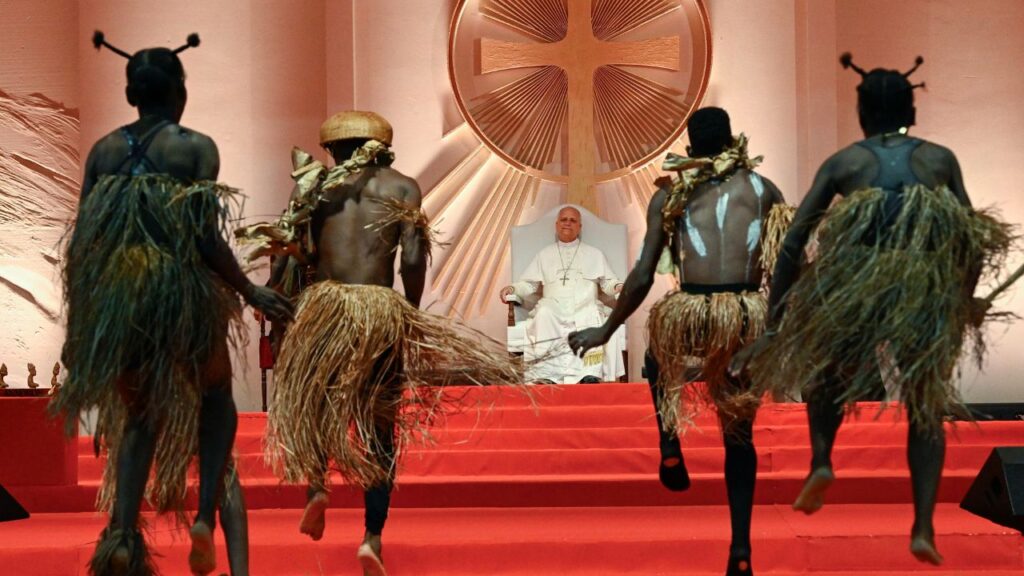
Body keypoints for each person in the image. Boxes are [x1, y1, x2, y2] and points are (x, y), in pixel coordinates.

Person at [729, 54, 1014, 566]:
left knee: (825, 379)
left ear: (862, 112)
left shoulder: (846, 163)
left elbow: (795, 239)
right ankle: (923, 524)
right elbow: (970, 237)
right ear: (910, 108)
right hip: (919, 288)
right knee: (925, 404)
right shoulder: (938, 159)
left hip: (854, 285)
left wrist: (778, 318)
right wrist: (964, 293)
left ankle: (821, 459)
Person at [241, 111, 524, 576]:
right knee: (379, 428)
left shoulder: (314, 186)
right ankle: (372, 536)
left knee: (314, 406)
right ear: (383, 145)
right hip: (376, 309)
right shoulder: (402, 187)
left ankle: (317, 488)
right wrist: (408, 310)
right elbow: (413, 258)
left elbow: (296, 253)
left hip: (325, 307)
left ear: (333, 147)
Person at [53, 31, 293, 576]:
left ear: (132, 94)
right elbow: (205, 237)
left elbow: (83, 243)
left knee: (139, 417)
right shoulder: (194, 147)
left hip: (120, 299)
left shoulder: (104, 151)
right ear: (178, 92)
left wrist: (82, 326)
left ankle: (119, 533)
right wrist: (249, 288)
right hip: (178, 295)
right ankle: (205, 513)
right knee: (215, 398)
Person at [569, 107, 790, 576]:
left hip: (691, 310)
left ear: (689, 149)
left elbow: (643, 276)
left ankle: (669, 442)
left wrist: (604, 331)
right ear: (734, 141)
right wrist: (774, 330)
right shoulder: (764, 191)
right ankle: (741, 547)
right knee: (738, 436)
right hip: (743, 317)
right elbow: (788, 272)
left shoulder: (671, 195)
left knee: (657, 354)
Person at [500, 206, 624, 383]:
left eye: (573, 220)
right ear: (556, 225)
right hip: (553, 307)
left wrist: (619, 287)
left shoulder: (595, 254)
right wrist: (513, 289)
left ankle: (589, 375)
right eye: (564, 219)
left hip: (584, 305)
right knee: (544, 314)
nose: (568, 223)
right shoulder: (544, 254)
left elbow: (608, 282)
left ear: (579, 227)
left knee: (591, 316)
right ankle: (546, 376)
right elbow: (528, 283)